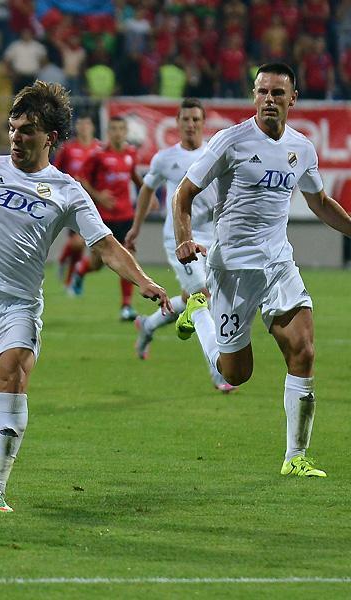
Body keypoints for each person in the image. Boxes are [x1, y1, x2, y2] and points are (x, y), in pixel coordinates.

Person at [0, 81, 172, 512]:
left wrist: (144, 281)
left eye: (27, 130)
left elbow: (105, 245)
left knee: (13, 371)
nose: (16, 138)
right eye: (12, 128)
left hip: (17, 305)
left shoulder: (67, 190)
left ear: (50, 137)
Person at [172, 63, 351, 478]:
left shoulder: (302, 148)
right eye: (262, 92)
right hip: (233, 270)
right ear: (254, 96)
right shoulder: (230, 141)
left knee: (304, 351)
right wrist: (184, 238)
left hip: (278, 264)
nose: (269, 99)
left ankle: (295, 457)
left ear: (293, 99)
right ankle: (200, 312)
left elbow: (320, 203)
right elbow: (184, 193)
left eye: (277, 93)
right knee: (236, 374)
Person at [124, 98, 235, 393]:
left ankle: (148, 325)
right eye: (185, 119)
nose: (190, 124)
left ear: (203, 123)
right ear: (178, 123)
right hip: (179, 238)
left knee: (194, 297)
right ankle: (218, 371)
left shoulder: (215, 154)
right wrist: (136, 227)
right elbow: (147, 189)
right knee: (201, 297)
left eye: (196, 119)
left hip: (212, 237)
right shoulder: (165, 158)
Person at [71, 116, 144, 321]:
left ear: (126, 131)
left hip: (126, 215)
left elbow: (133, 175)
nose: (117, 133)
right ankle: (81, 270)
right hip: (103, 217)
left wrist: (146, 191)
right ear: (108, 132)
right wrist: (98, 196)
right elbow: (81, 178)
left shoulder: (131, 154)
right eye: (113, 129)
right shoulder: (98, 155)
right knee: (97, 263)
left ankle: (126, 306)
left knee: (128, 257)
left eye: (121, 128)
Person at [52, 114, 101, 289]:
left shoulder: (99, 149)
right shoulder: (68, 148)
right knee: (78, 243)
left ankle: (68, 275)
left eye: (87, 124)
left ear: (92, 127)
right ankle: (68, 275)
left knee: (81, 245)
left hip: (92, 201)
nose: (84, 127)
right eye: (80, 124)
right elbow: (55, 171)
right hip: (71, 200)